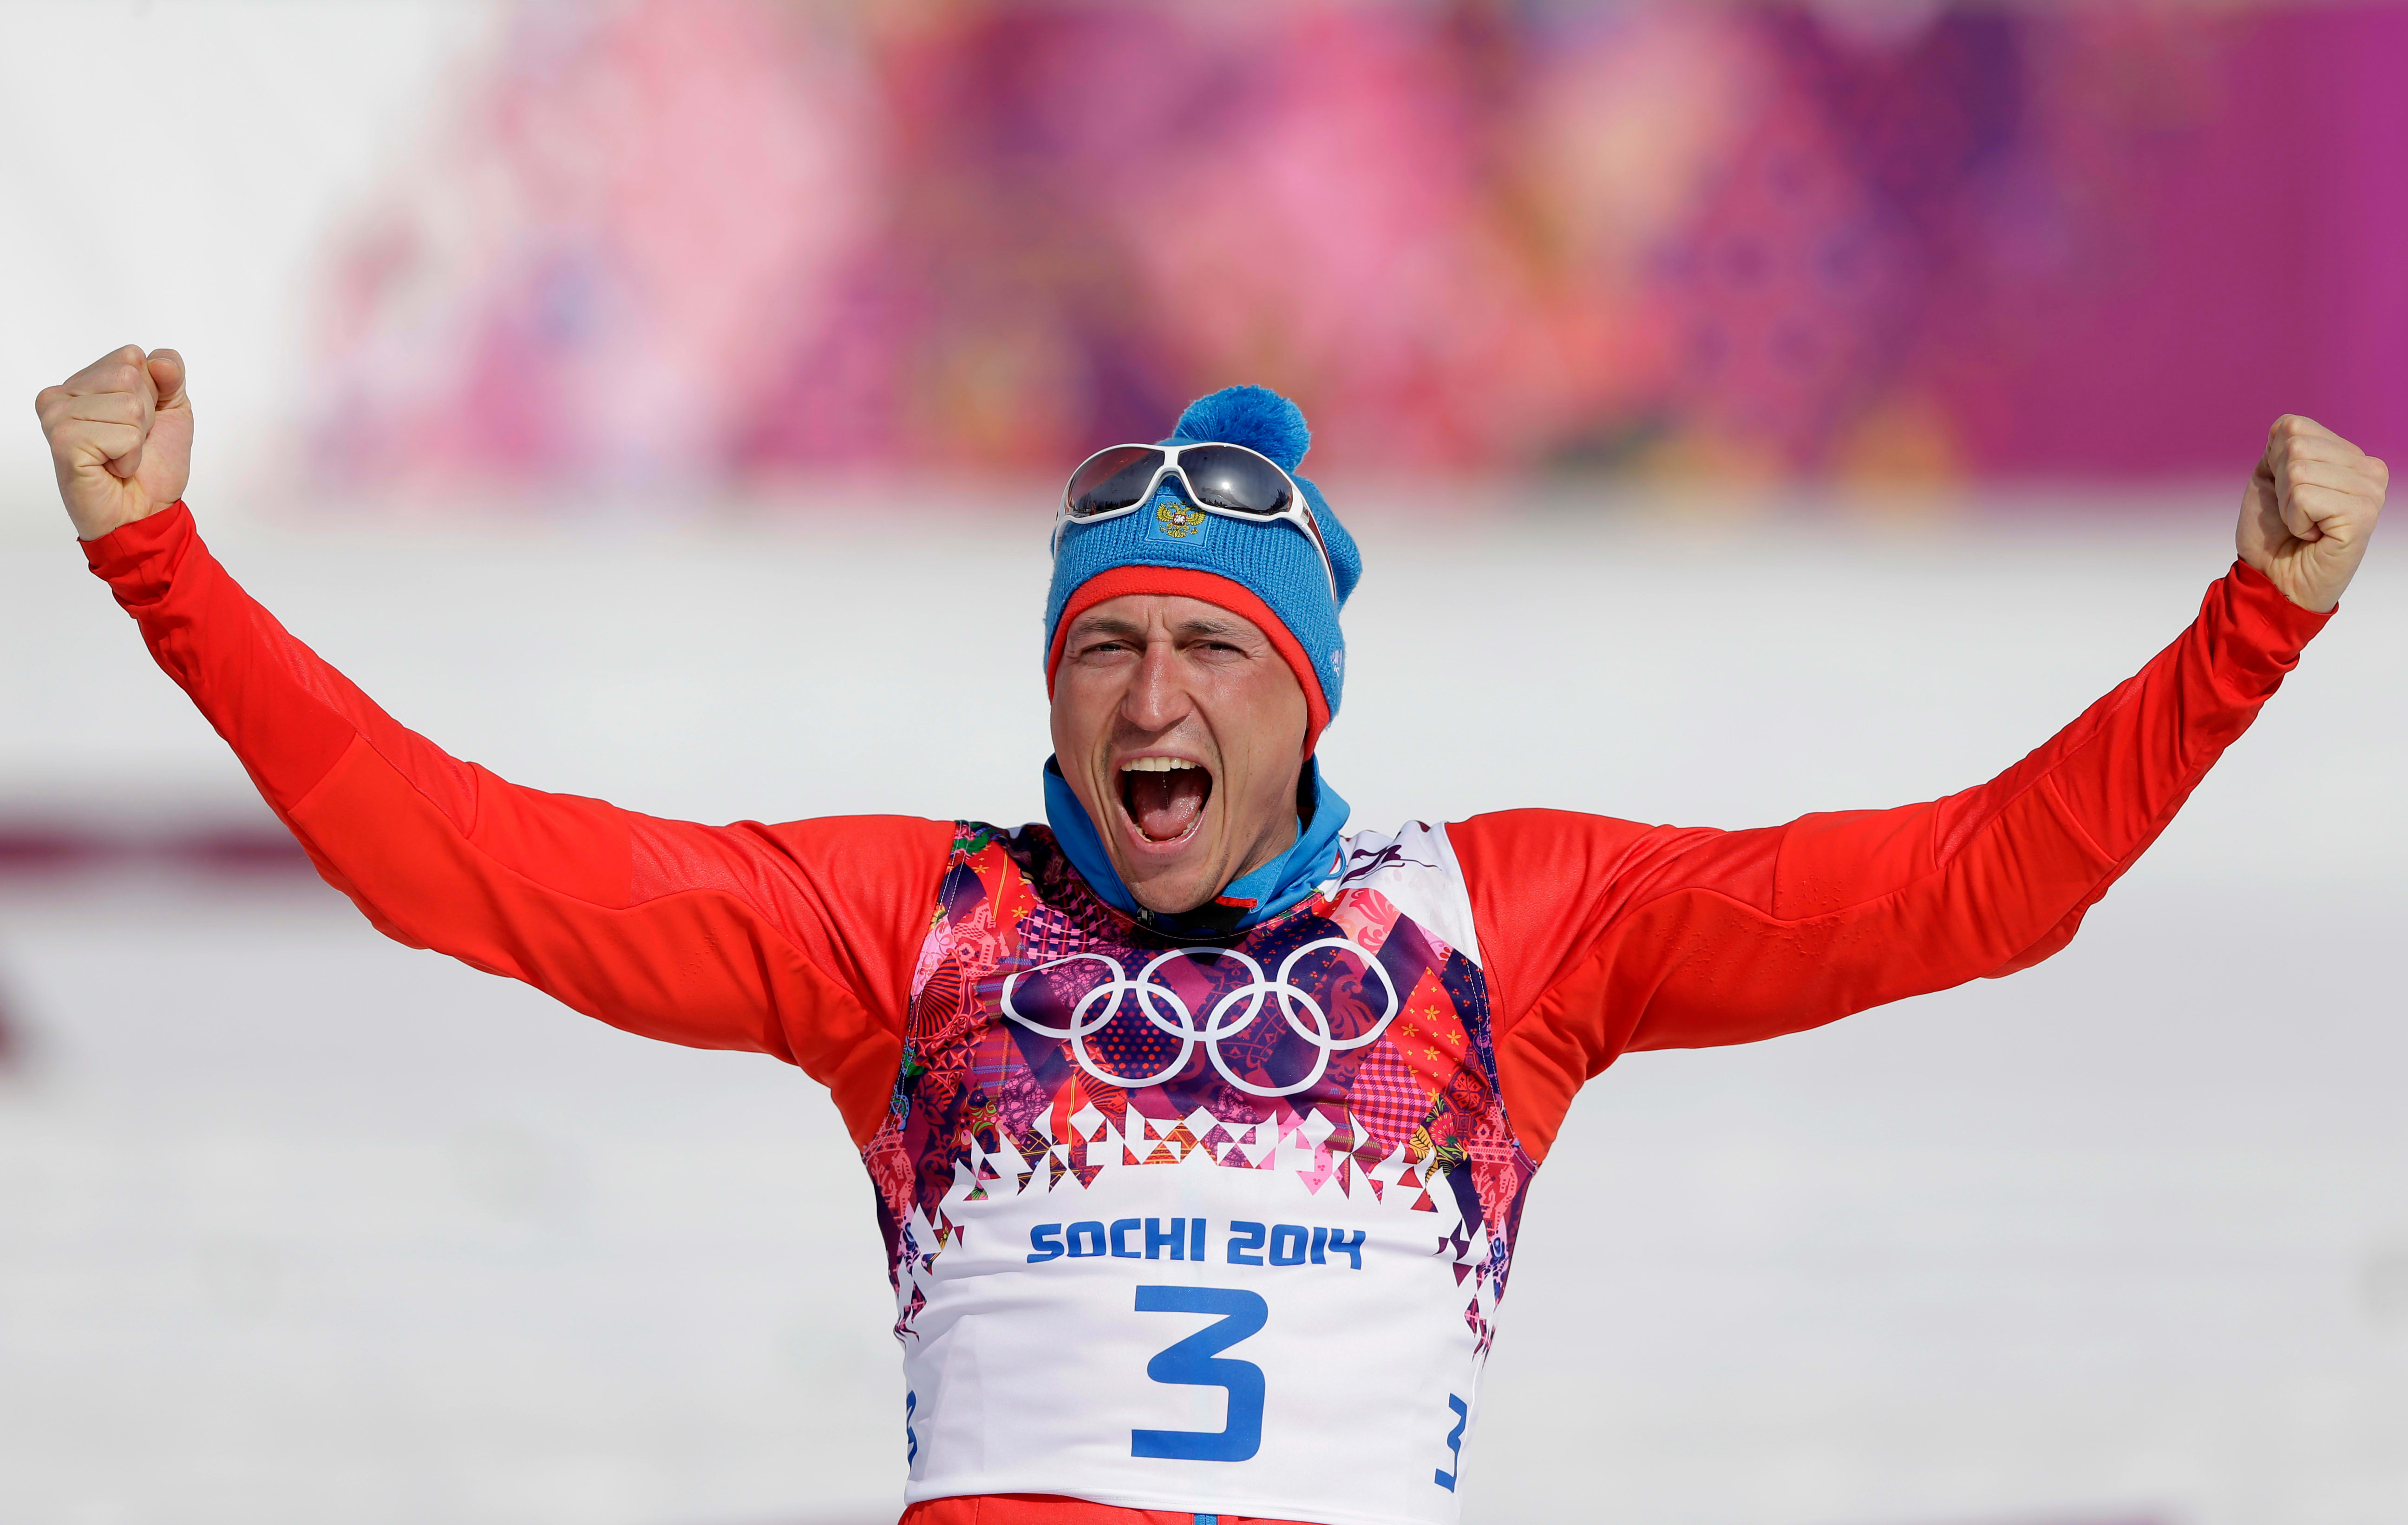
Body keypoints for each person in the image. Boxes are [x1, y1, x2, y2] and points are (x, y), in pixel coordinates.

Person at [34, 346, 2387, 1525]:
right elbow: (461, 860)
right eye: (1102, 646)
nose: (1147, 698)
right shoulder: (914, 926)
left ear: (1305, 696)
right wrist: (162, 561)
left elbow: (1975, 885)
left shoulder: (1507, 925)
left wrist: (2255, 623)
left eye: (1208, 650)